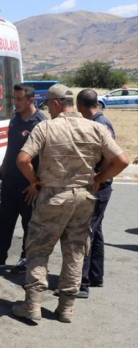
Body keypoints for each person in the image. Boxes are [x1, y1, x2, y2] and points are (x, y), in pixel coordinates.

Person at [11, 85, 128, 324]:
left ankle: (32, 306)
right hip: (83, 198)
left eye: (49, 107)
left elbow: (23, 159)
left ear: (55, 104)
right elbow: (122, 161)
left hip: (52, 198)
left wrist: (34, 180)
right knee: (75, 252)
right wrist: (97, 180)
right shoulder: (96, 127)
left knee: (38, 250)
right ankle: (65, 308)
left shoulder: (45, 127)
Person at [0, 84, 47, 273]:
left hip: (28, 184)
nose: (15, 103)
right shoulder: (15, 119)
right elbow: (12, 146)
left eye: (19, 99)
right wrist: (4, 166)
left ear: (31, 100)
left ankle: (26, 258)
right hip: (10, 180)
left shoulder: (41, 123)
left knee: (28, 224)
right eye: (14, 99)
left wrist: (36, 183)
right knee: (5, 220)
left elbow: (45, 158)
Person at [70, 88, 116, 298]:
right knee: (95, 232)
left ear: (80, 106)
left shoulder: (99, 125)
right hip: (101, 185)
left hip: (99, 187)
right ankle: (96, 276)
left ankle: (82, 284)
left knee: (85, 232)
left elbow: (111, 157)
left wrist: (99, 177)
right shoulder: (102, 121)